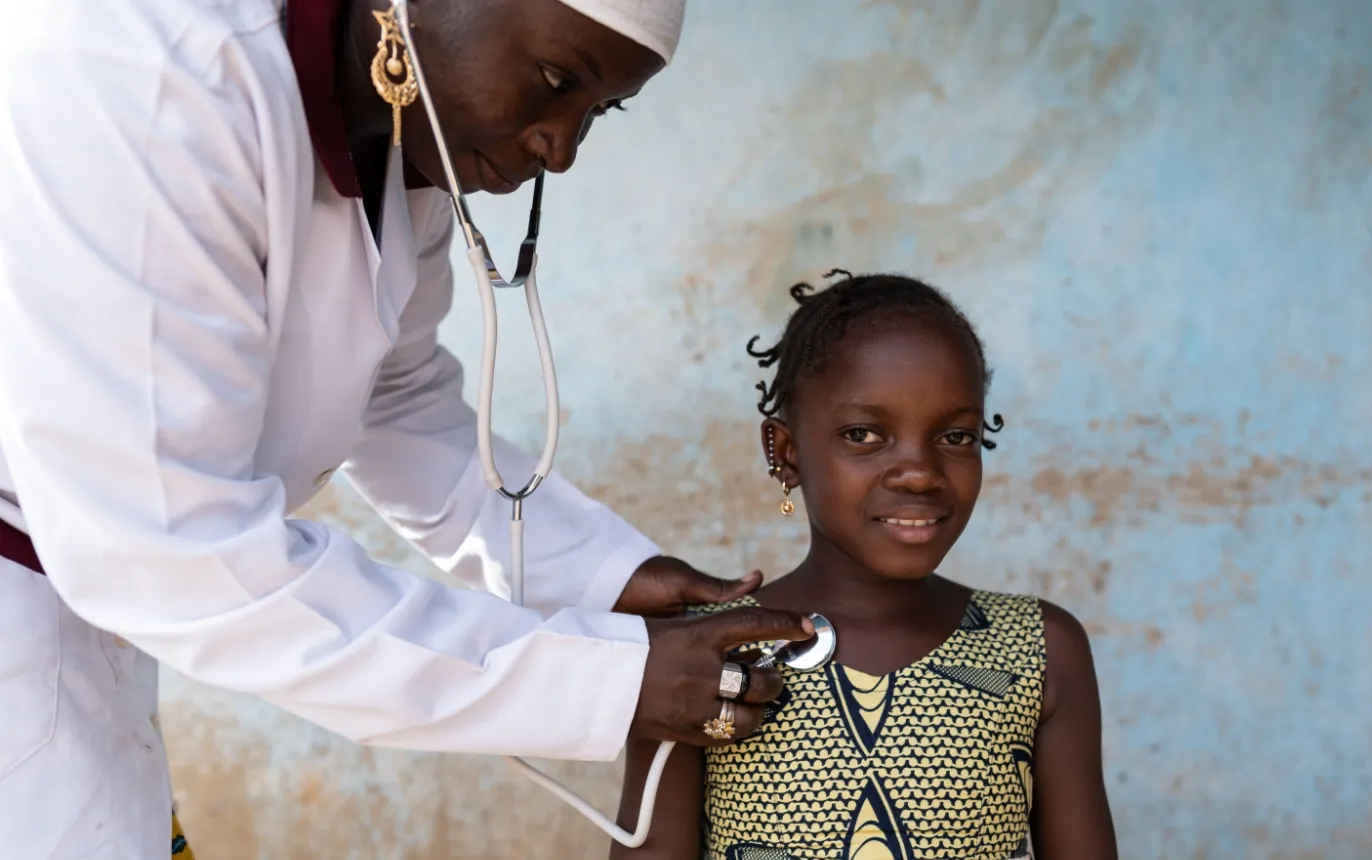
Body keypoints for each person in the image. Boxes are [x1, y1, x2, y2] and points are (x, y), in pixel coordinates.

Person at [0, 0, 814, 856]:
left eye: (599, 110)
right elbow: (168, 549)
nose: (563, 150)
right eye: (555, 80)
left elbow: (392, 397)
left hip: (87, 627)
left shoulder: (405, 132)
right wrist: (607, 678)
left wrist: (605, 575)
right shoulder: (150, 75)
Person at [611, 272, 1118, 859]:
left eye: (956, 436)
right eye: (864, 434)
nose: (920, 472)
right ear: (786, 451)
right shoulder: (704, 654)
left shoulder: (1040, 650)